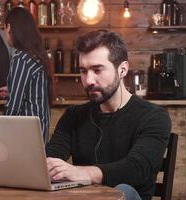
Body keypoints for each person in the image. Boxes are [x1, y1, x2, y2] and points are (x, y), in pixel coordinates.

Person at [45, 30, 171, 200]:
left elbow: (136, 168)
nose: (88, 80)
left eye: (97, 70)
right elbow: (49, 158)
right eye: (83, 71)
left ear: (122, 69)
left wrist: (82, 172)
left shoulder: (154, 117)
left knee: (123, 189)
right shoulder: (73, 115)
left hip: (128, 196)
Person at [0, 7, 52, 143]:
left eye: (4, 29)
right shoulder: (35, 56)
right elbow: (33, 93)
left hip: (26, 137)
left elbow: (13, 107)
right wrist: (11, 89)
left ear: (9, 27)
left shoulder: (21, 58)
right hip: (40, 135)